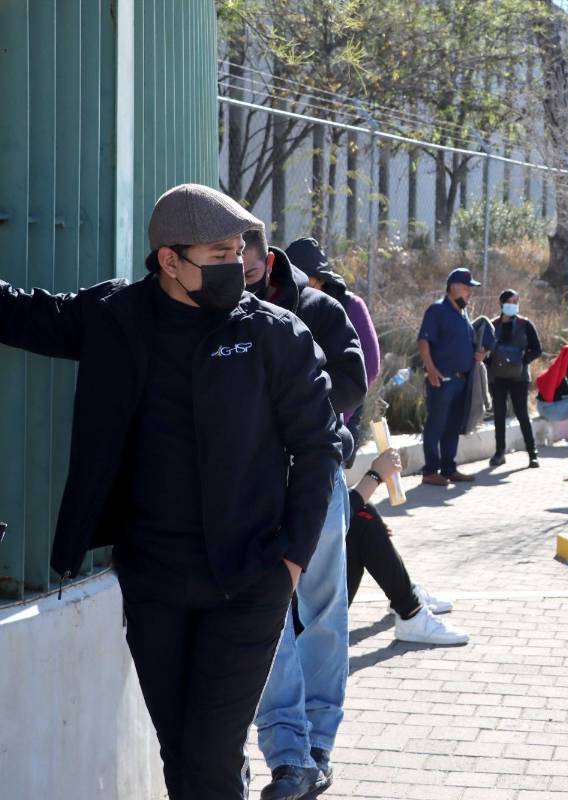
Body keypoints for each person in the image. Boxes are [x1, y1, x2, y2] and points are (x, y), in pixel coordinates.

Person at [0, 173, 341, 800]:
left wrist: (291, 561)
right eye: (220, 257)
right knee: (181, 756)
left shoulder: (273, 334)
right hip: (154, 581)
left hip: (249, 581)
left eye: (240, 253)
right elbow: (5, 312)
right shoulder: (116, 319)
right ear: (169, 261)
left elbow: (320, 447)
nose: (238, 267)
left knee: (208, 762)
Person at [242, 232, 367, 800]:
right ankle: (287, 753)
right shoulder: (217, 311)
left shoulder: (319, 309)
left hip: (315, 476)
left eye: (238, 267)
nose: (229, 279)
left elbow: (352, 380)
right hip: (249, 482)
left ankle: (319, 744)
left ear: (267, 262)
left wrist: (293, 410)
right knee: (269, 614)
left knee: (323, 609)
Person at [347, 449, 468, 645]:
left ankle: (406, 598)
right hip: (295, 614)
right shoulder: (292, 443)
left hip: (300, 603)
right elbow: (326, 515)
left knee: (363, 516)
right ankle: (410, 610)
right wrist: (375, 476)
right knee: (361, 516)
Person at [285, 237, 381, 463]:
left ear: (318, 280)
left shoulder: (350, 306)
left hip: (341, 411)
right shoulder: (286, 305)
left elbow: (371, 364)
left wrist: (340, 411)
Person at [417, 268, 493, 487]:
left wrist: (481, 353)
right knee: (436, 425)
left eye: (471, 288)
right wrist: (431, 370)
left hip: (462, 380)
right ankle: (430, 471)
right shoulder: (437, 310)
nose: (470, 292)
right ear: (453, 287)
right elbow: (423, 341)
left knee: (452, 426)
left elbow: (468, 343)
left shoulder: (463, 314)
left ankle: (449, 469)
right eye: (467, 287)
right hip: (443, 380)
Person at [487, 290, 542, 468]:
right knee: (499, 415)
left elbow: (537, 349)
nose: (514, 304)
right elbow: (484, 347)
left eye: (516, 301)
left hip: (519, 377)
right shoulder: (492, 325)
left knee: (522, 415)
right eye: (510, 301)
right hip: (498, 376)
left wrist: (522, 361)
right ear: (502, 304)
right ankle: (499, 452)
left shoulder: (525, 324)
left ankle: (533, 453)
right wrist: (490, 362)